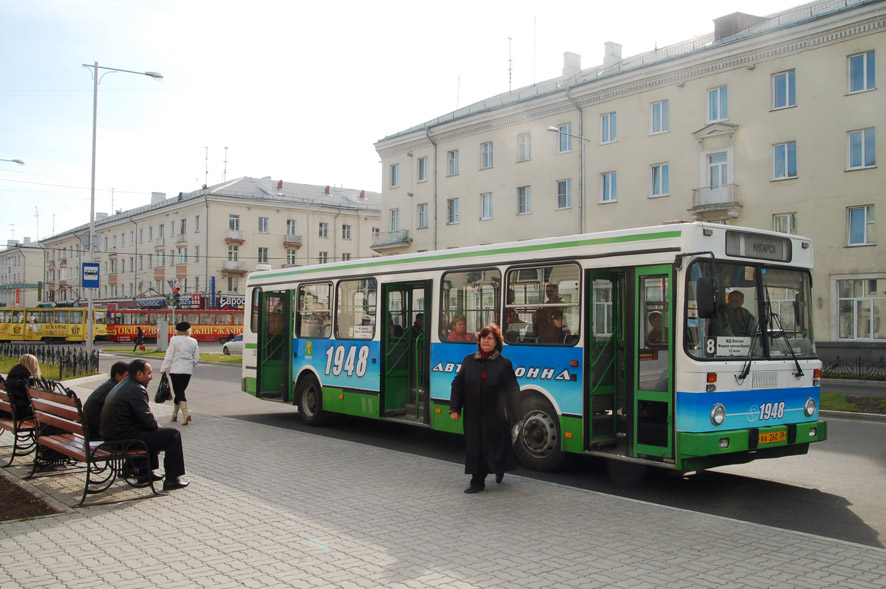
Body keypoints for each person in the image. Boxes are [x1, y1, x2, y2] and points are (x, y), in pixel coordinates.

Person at [449, 323, 521, 494]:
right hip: (473, 414)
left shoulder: (504, 363)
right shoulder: (469, 361)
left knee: (495, 446)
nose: (485, 341)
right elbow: (457, 384)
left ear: (497, 342)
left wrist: (517, 415)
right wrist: (455, 408)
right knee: (475, 447)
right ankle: (477, 481)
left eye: (490, 338)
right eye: (483, 338)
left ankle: (499, 468)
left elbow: (512, 390)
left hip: (495, 415)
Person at [100, 359, 190, 490]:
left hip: (113, 437)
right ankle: (172, 479)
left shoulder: (125, 384)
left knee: (152, 434)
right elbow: (148, 421)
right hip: (123, 440)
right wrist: (160, 431)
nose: (151, 377)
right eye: (149, 373)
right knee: (173, 435)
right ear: (139, 374)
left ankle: (145, 474)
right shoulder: (136, 389)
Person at [160, 321, 200, 425]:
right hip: (187, 371)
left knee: (179, 393)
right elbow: (196, 358)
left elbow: (169, 355)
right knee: (180, 392)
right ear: (188, 330)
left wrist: (164, 368)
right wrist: (190, 366)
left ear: (177, 331)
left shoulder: (174, 339)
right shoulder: (194, 341)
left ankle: (186, 414)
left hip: (176, 370)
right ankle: (174, 415)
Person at [83, 361, 129, 439]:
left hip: (90, 428)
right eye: (127, 376)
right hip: (97, 432)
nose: (129, 379)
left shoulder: (109, 385)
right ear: (118, 376)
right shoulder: (115, 389)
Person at [2, 353, 39, 421]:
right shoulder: (26, 378)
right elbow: (32, 400)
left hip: (8, 411)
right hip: (20, 413)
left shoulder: (13, 374)